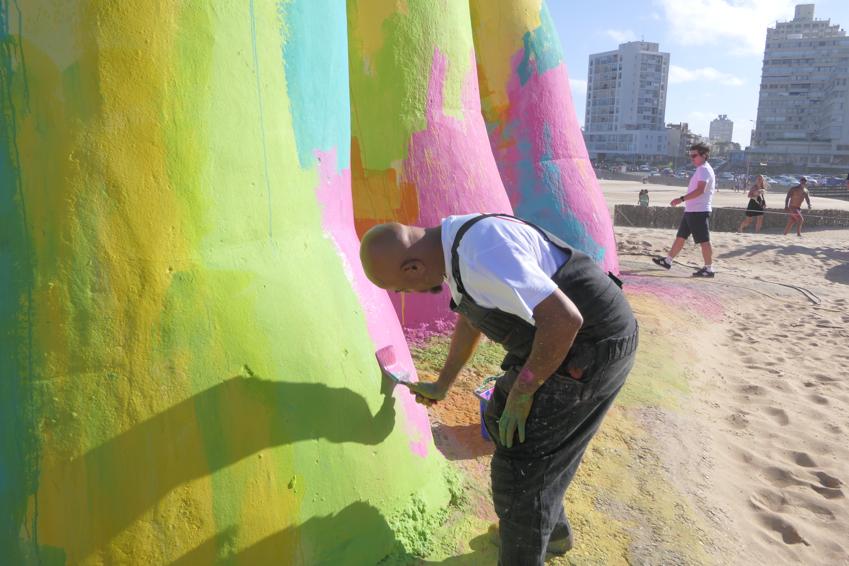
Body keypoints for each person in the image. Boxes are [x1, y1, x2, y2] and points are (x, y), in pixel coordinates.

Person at [359, 214, 638, 565]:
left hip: (589, 348)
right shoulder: (452, 246)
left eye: (401, 288)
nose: (407, 294)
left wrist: (523, 393)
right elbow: (471, 317)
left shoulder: (482, 253)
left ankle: (525, 550)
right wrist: (443, 383)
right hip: (564, 342)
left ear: (413, 268)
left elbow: (564, 320)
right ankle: (552, 533)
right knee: (508, 426)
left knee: (520, 470)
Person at [652, 142, 717, 277]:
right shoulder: (702, 169)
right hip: (692, 210)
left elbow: (700, 190)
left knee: (704, 240)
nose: (692, 158)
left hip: (698, 211)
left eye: (694, 155)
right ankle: (668, 261)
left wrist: (681, 199)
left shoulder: (704, 169)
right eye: (690, 156)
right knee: (681, 237)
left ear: (704, 155)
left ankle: (709, 268)